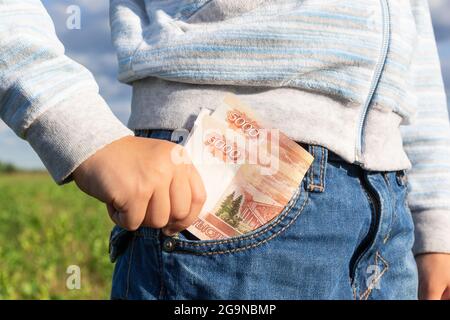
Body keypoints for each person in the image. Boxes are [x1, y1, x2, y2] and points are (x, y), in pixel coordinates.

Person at [1, 0, 450, 300]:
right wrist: (76, 126)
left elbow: (416, 57)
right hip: (219, 189)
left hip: (391, 216)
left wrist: (436, 232)